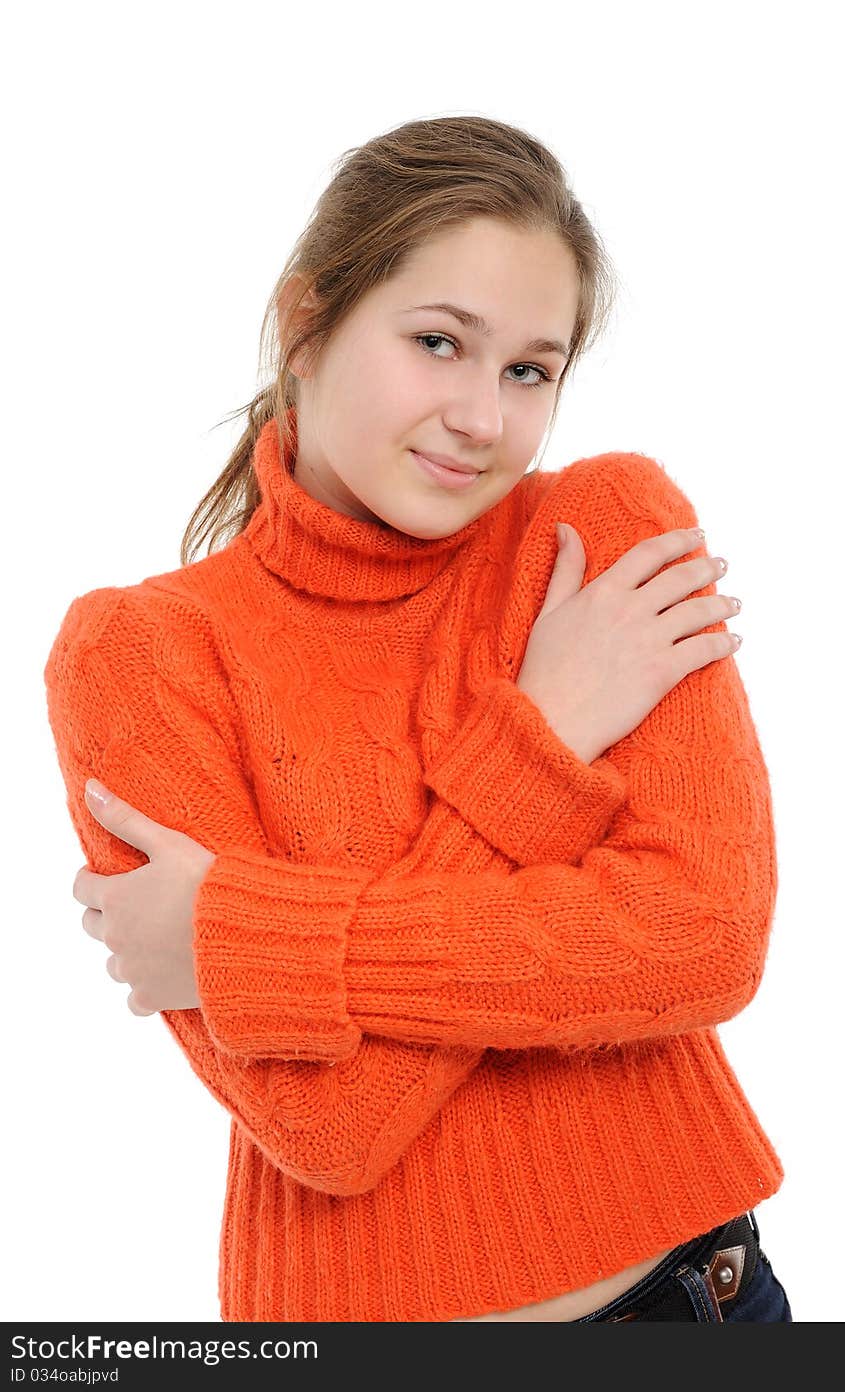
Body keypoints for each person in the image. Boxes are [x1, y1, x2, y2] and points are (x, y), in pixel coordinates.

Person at [43, 114, 792, 1323]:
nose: (481, 419)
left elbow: (703, 939)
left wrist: (254, 940)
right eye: (438, 342)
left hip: (694, 1297)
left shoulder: (599, 535)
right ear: (305, 324)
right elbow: (325, 1125)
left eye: (528, 370)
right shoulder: (143, 652)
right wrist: (540, 740)